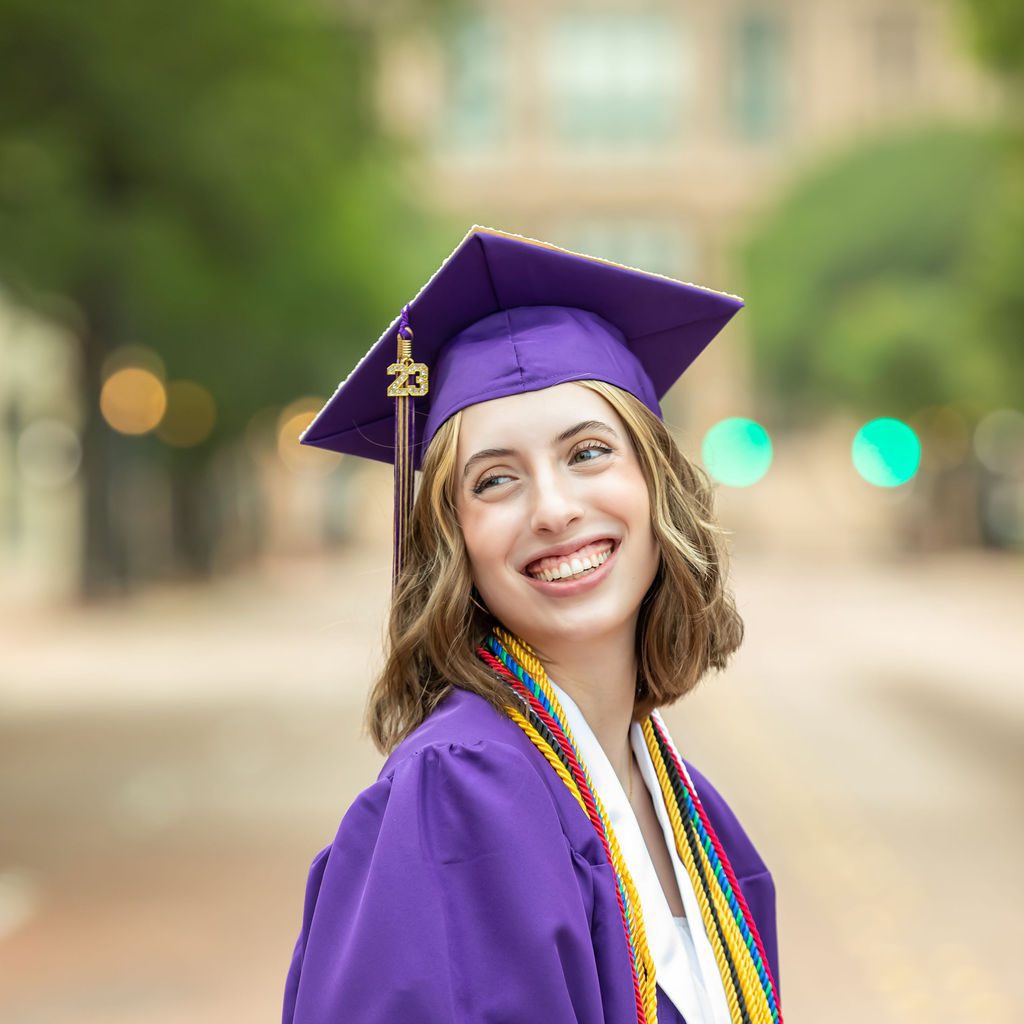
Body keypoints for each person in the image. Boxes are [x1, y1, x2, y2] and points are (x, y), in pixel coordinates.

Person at [282, 226, 783, 1024]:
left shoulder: (693, 812)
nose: (553, 509)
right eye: (496, 480)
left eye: (587, 453)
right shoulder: (458, 795)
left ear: (658, 487)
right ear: (455, 542)